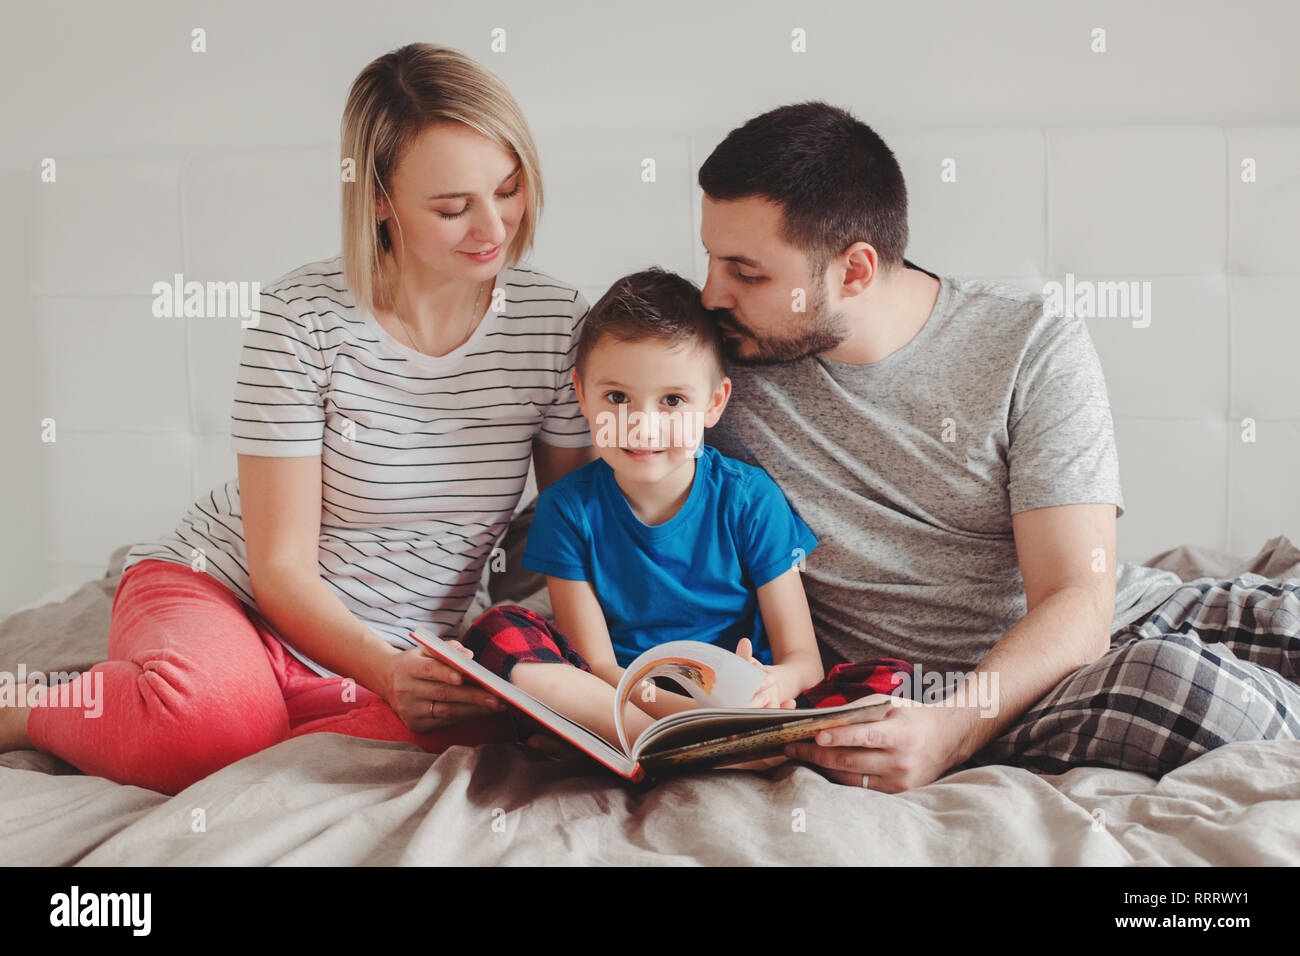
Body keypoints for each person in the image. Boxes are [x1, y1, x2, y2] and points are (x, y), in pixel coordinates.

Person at [0, 43, 598, 795]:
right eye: (452, 207)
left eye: (509, 190)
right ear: (379, 199)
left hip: (407, 637)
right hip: (232, 587)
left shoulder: (553, 318)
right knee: (209, 734)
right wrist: (385, 671)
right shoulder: (301, 318)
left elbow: (575, 525)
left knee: (499, 728)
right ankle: (32, 710)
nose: (493, 227)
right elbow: (279, 569)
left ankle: (242, 705)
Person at [694, 100, 1300, 792]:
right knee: (1180, 688)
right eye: (710, 258)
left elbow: (1077, 597)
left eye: (747, 273)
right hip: (1029, 695)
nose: (712, 293)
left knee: (1281, 619)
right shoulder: (705, 370)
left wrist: (951, 731)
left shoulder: (1030, 341)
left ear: (854, 272)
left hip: (1096, 626)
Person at [458, 269, 845, 749]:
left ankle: (708, 741)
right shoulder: (566, 508)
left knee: (876, 685)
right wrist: (694, 717)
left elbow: (804, 660)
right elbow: (598, 665)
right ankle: (690, 744)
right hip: (613, 694)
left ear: (714, 402)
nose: (642, 426)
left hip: (734, 693)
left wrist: (772, 688)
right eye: (617, 397)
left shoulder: (749, 499)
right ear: (581, 395)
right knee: (494, 634)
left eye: (673, 401)